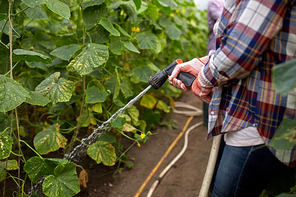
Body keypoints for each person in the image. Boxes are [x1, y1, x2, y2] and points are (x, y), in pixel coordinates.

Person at [169, 0, 296, 195]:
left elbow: (241, 49)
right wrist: (200, 63)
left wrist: (203, 79)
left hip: (259, 114)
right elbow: (241, 38)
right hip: (247, 105)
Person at [203, 0, 225, 127]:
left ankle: (215, 118)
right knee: (208, 83)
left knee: (217, 85)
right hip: (214, 49)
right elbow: (223, 21)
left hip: (224, 51)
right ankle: (207, 120)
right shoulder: (214, 2)